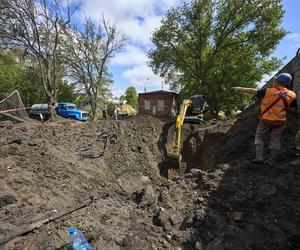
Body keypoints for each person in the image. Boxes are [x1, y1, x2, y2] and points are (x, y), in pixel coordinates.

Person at [233, 73, 296, 164]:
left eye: (275, 80)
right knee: (275, 140)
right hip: (279, 122)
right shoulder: (292, 94)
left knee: (259, 137)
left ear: (277, 82)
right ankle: (271, 160)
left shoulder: (268, 91)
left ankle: (259, 158)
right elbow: (292, 109)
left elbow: (252, 91)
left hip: (265, 120)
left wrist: (239, 89)